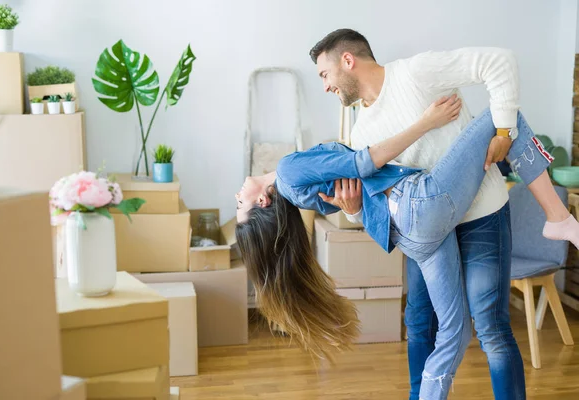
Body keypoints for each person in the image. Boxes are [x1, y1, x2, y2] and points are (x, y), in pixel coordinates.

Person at [235, 96, 579, 400]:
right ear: (263, 201)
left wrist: (352, 208)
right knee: (505, 115)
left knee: (454, 335)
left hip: (411, 236)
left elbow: (358, 191)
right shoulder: (288, 172)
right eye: (240, 204)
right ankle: (557, 215)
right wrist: (427, 122)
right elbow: (364, 163)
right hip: (419, 207)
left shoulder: (300, 196)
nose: (236, 197)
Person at [308, 29, 534, 400]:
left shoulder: (416, 73)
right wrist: (354, 210)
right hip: (429, 234)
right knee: (418, 319)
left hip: (480, 217)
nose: (325, 86)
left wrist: (505, 131)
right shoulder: (362, 131)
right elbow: (382, 202)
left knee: (490, 326)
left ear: (347, 61)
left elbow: (500, 61)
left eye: (324, 74)